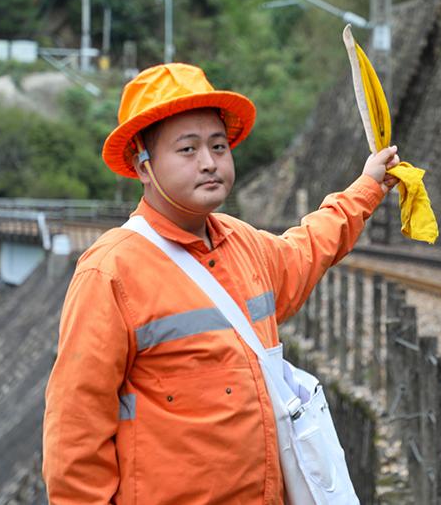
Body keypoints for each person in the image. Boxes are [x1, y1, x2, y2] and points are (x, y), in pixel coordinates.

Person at [42, 62, 399, 504]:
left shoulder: (242, 244)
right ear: (143, 166)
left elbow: (306, 248)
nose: (209, 162)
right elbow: (76, 432)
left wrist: (367, 187)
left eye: (218, 146)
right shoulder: (111, 271)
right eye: (187, 150)